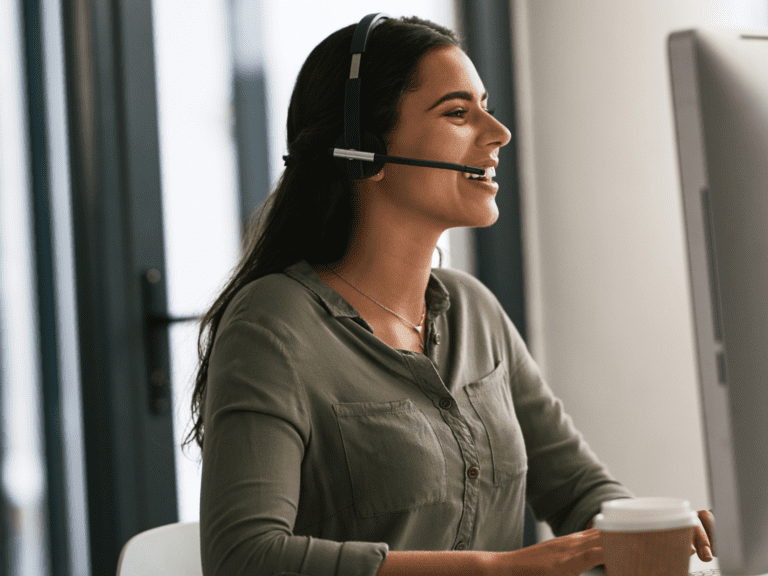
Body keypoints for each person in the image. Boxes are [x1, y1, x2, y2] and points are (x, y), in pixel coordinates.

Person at [189, 14, 714, 576]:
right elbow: (245, 558)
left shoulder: (473, 309)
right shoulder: (274, 324)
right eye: (459, 113)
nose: (498, 132)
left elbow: (577, 488)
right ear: (363, 150)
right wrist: (499, 570)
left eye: (485, 105)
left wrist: (646, 531)